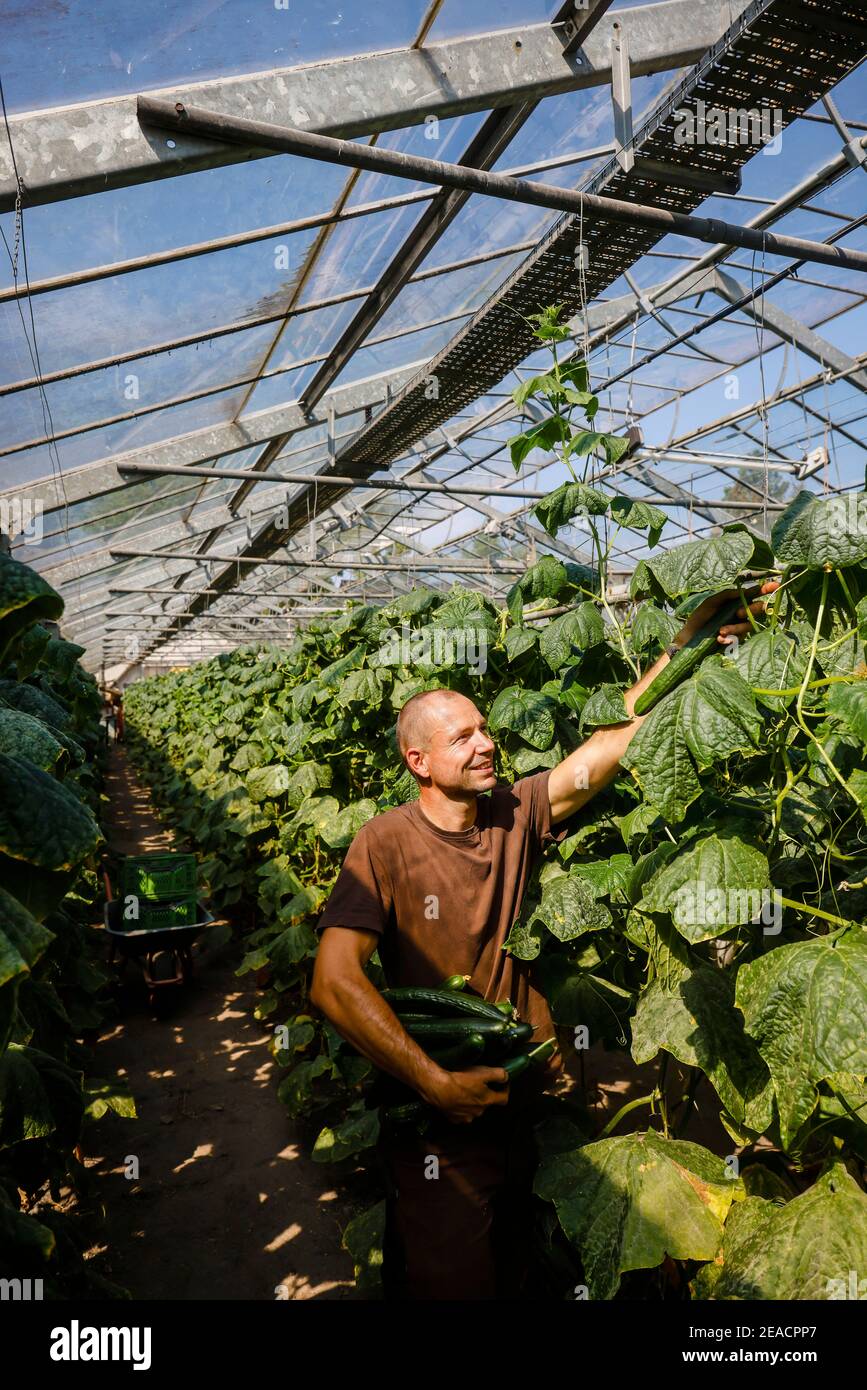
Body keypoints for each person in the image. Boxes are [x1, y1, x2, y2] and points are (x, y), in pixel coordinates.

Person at [310, 583, 777, 1300]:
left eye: (483, 728)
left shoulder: (511, 812)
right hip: (439, 1112)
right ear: (418, 762)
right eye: (461, 736)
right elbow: (333, 981)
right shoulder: (384, 844)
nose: (486, 743)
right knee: (452, 1278)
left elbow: (605, 747)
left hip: (528, 1093)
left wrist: (684, 646)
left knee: (523, 1265)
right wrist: (432, 1080)